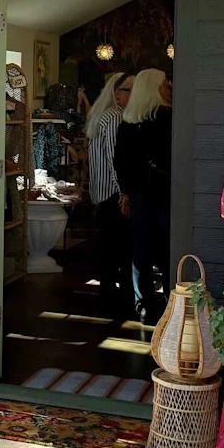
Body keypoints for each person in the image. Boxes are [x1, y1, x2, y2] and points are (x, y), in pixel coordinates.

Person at [114, 68, 172, 322]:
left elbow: (120, 164)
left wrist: (126, 192)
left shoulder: (128, 124)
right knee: (168, 250)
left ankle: (144, 305)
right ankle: (173, 305)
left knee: (141, 252)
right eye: (165, 85)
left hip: (139, 196)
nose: (169, 88)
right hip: (165, 194)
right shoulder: (167, 118)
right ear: (154, 88)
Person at [86, 72, 134, 315]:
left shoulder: (100, 116)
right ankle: (123, 306)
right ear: (116, 93)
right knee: (121, 255)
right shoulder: (115, 117)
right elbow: (116, 161)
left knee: (107, 253)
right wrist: (124, 193)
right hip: (113, 197)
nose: (134, 95)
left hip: (101, 196)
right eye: (129, 90)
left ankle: (109, 303)